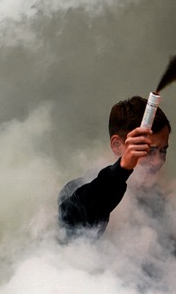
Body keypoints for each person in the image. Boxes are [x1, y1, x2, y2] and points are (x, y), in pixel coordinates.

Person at [58, 96, 169, 233]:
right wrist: (122, 169)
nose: (158, 161)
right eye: (147, 151)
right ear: (116, 145)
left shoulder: (159, 203)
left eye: (163, 151)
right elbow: (75, 221)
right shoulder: (77, 191)